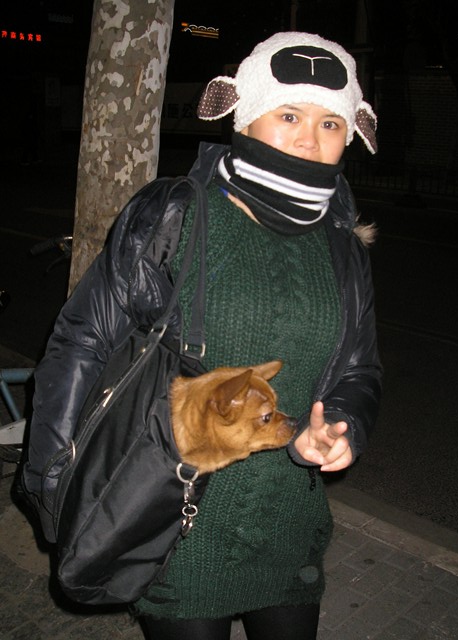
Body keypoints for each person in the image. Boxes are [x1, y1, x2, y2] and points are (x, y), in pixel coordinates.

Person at [22, 32, 382, 640]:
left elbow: (360, 370)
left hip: (287, 523)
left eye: (330, 123)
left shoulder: (344, 249)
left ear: (352, 134)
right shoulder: (175, 215)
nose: (308, 139)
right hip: (167, 522)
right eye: (289, 115)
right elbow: (83, 341)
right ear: (243, 114)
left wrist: (342, 425)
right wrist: (53, 477)